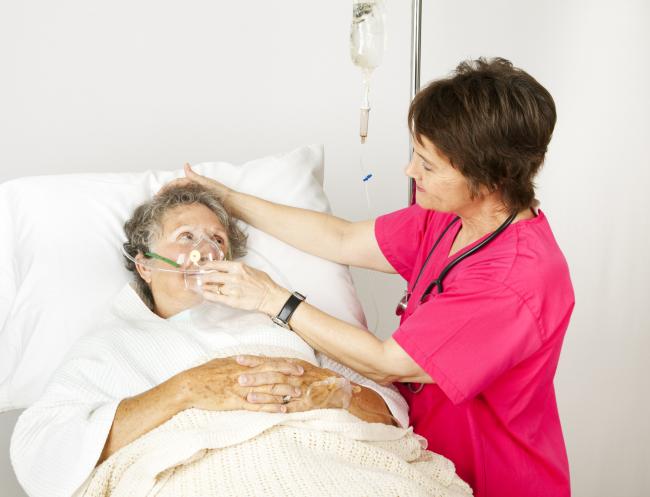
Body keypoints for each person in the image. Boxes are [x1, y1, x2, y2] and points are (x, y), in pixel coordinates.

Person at [175, 58, 575, 497]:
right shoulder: (449, 219)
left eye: (428, 164)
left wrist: (272, 299)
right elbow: (342, 239)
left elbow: (385, 360)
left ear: (491, 177)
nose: (410, 172)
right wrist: (229, 199)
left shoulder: (514, 281)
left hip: (492, 479)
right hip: (421, 459)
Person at [10, 183, 472, 497]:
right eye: (185, 235)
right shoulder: (111, 344)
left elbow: (389, 412)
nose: (204, 250)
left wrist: (332, 391)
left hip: (326, 459)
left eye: (216, 239)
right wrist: (185, 390)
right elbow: (39, 450)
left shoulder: (276, 321)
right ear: (144, 263)